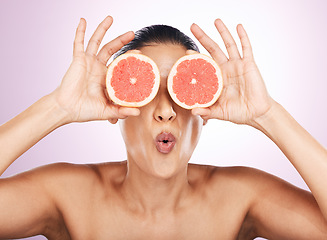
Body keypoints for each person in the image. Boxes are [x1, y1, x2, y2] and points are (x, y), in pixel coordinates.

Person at [0, 15, 326, 240]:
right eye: (145, 90)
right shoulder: (68, 194)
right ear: (116, 104)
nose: (166, 110)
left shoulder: (242, 196)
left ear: (205, 110)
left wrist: (267, 114)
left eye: (182, 91)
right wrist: (57, 108)